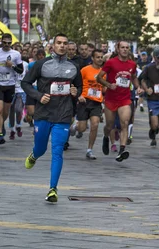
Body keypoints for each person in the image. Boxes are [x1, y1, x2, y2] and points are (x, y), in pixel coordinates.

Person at [22, 34, 82, 203]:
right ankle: (34, 155)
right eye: (59, 43)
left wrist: (75, 92)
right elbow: (25, 83)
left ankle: (53, 189)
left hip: (63, 114)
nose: (62, 46)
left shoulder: (74, 67)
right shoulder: (41, 65)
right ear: (53, 45)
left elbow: (78, 87)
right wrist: (39, 96)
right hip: (43, 113)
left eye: (65, 43)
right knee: (41, 148)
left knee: (57, 151)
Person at [96, 41, 142, 162]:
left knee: (124, 123)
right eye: (122, 47)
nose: (125, 50)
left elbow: (133, 77)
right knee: (109, 125)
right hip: (111, 99)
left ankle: (122, 150)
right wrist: (108, 85)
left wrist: (138, 87)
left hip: (125, 99)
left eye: (127, 48)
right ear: (118, 48)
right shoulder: (111, 62)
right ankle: (106, 137)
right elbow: (99, 77)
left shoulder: (132, 64)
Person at [0, 33, 24, 144]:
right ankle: (0, 135)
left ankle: (1, 124)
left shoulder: (16, 54)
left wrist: (12, 65)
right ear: (1, 42)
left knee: (5, 111)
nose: (7, 45)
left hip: (10, 85)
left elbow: (20, 70)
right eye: (5, 42)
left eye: (9, 43)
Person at [76, 49, 105, 160]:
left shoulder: (104, 72)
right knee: (82, 128)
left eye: (101, 57)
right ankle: (75, 126)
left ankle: (89, 149)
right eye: (97, 57)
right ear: (92, 58)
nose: (100, 59)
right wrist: (79, 95)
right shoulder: (85, 70)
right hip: (84, 101)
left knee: (95, 124)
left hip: (96, 102)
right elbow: (77, 83)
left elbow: (104, 88)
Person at [9, 58, 28, 140]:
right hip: (11, 89)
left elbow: (28, 75)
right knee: (11, 110)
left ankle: (18, 125)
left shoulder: (26, 64)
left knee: (18, 109)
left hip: (21, 90)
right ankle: (12, 129)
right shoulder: (10, 64)